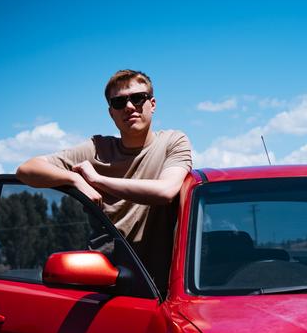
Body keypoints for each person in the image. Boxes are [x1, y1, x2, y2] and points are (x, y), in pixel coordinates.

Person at [16, 69, 192, 291]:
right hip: (107, 285)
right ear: (111, 112)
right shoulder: (98, 149)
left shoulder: (173, 142)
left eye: (138, 98)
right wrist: (74, 180)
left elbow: (165, 191)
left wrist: (97, 180)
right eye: (119, 102)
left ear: (152, 104)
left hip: (166, 286)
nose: (129, 107)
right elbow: (27, 169)